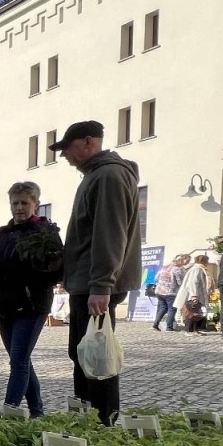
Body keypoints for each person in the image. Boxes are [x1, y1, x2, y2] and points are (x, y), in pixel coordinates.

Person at [55, 120, 141, 424]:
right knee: (85, 356)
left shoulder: (108, 176)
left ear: (88, 142)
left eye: (68, 147)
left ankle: (102, 423)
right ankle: (88, 418)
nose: (64, 154)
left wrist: (101, 286)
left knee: (97, 359)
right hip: (86, 283)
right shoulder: (97, 175)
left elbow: (109, 233)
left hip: (94, 285)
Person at [0, 182, 65, 418]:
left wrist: (51, 268)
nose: (19, 208)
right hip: (5, 308)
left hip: (31, 307)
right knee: (22, 361)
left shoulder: (46, 234)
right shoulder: (2, 235)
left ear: (35, 205)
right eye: (15, 203)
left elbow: (56, 273)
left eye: (24, 203)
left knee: (18, 361)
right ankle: (37, 412)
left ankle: (8, 413)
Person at [175, 255, 212, 334]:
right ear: (203, 261)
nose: (207, 263)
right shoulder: (197, 269)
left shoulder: (199, 269)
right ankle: (189, 330)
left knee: (196, 313)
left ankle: (195, 330)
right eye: (207, 261)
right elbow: (193, 283)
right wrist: (194, 295)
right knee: (191, 313)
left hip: (197, 294)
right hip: (193, 294)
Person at [153, 254, 188, 331]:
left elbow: (156, 278)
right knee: (172, 309)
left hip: (160, 291)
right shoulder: (178, 269)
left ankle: (156, 323)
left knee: (162, 308)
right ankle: (169, 327)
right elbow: (180, 282)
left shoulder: (164, 268)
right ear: (180, 261)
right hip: (170, 292)